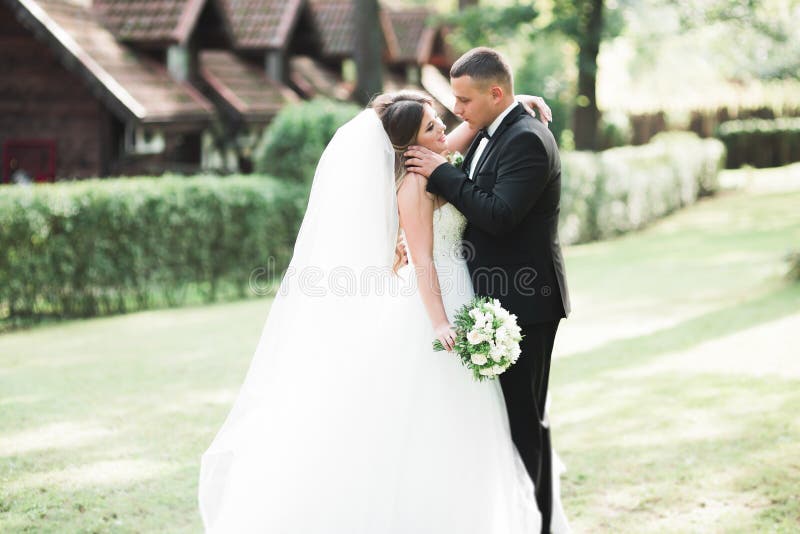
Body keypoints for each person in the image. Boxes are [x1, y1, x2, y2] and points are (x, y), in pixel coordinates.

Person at [198, 90, 563, 533]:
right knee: (428, 417)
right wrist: (440, 321)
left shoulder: (433, 158)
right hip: (434, 301)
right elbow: (424, 260)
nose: (443, 129)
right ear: (409, 145)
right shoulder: (413, 183)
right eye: (432, 126)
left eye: (438, 122)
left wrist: (511, 104)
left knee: (471, 424)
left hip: (463, 290)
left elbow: (461, 133)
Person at [405, 47, 571, 534]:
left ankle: (538, 523)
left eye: (464, 99)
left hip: (527, 302)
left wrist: (443, 175)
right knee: (502, 422)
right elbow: (454, 148)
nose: (457, 108)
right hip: (492, 298)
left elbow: (499, 215)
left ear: (496, 94)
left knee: (526, 423)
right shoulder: (490, 128)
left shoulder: (526, 140)